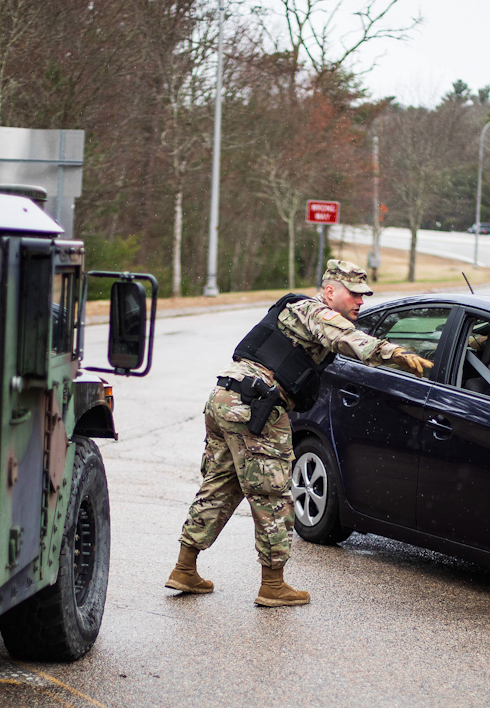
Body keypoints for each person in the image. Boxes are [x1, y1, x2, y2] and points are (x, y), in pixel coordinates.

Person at [166, 259, 434, 606]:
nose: (360, 301)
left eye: (363, 295)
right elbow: (343, 337)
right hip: (256, 407)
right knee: (273, 495)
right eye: (353, 294)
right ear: (329, 291)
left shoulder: (297, 312)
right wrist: (390, 353)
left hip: (227, 398)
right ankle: (273, 586)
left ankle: (184, 568)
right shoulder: (312, 310)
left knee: (221, 483)